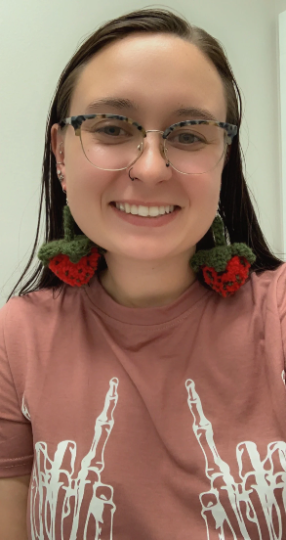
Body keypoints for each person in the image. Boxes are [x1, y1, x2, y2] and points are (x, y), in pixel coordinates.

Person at [0, 6, 285, 540]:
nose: (151, 167)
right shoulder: (14, 338)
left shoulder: (280, 314)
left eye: (190, 135)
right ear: (61, 151)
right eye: (111, 127)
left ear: (224, 157)